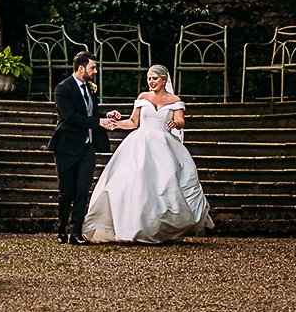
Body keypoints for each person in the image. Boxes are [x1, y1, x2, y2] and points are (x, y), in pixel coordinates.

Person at [81, 63, 215, 243]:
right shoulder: (143, 97)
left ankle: (159, 227)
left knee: (164, 183)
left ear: (164, 80)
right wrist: (115, 124)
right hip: (140, 143)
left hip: (163, 144)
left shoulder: (174, 100)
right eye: (149, 79)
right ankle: (133, 226)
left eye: (155, 78)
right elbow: (133, 122)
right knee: (134, 183)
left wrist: (176, 124)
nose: (151, 82)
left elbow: (181, 121)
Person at [48, 51, 110, 243]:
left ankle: (76, 232)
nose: (96, 71)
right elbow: (72, 117)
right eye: (93, 67)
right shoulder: (62, 89)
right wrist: (99, 122)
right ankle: (61, 230)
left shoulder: (90, 88)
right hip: (66, 146)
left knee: (83, 189)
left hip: (87, 148)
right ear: (81, 67)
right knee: (66, 191)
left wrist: (107, 115)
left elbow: (92, 112)